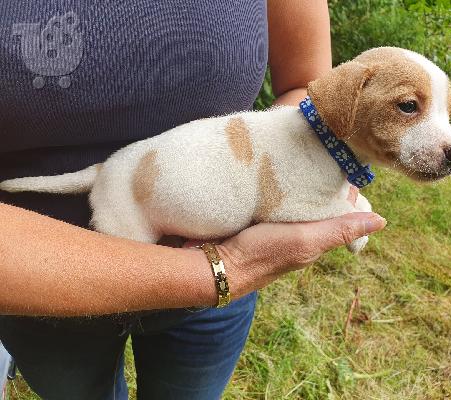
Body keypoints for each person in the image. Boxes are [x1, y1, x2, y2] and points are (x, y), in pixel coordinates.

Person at [0, 1, 386, 399]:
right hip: (42, 289)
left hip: (220, 284)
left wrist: (303, 174)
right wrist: (225, 268)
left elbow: (310, 87)